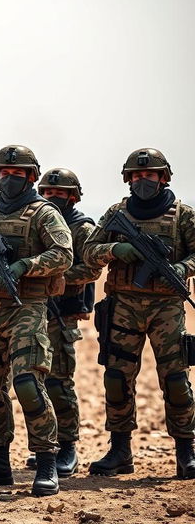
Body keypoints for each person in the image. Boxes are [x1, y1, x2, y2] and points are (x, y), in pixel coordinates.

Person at [0, 145, 73, 497]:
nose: (11, 179)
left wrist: (26, 265)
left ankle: (46, 462)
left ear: (31, 177)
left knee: (27, 383)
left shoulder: (44, 214)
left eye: (19, 174)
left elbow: (64, 254)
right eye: (5, 173)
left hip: (27, 307)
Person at [83, 148, 195, 479]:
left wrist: (179, 267)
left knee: (175, 380)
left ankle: (186, 452)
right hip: (123, 307)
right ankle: (120, 451)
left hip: (166, 308)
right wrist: (116, 249)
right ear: (127, 179)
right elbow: (89, 251)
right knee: (117, 378)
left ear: (164, 178)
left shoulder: (183, 216)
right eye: (136, 176)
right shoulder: (117, 213)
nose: (142, 181)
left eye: (149, 175)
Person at [23, 168, 102, 477]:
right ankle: (47, 446)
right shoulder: (38, 221)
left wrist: (50, 275)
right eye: (48, 193)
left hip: (61, 313)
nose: (53, 198)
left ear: (73, 197)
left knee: (59, 381)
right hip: (32, 310)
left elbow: (90, 270)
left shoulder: (81, 227)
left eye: (60, 194)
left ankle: (68, 448)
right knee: (34, 383)